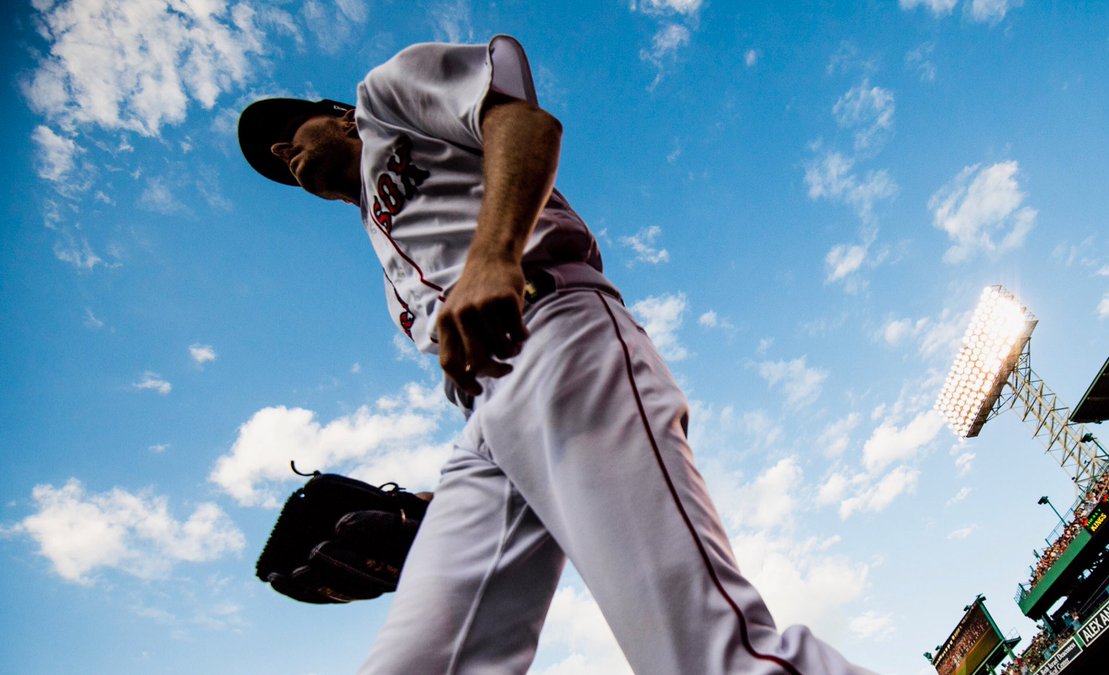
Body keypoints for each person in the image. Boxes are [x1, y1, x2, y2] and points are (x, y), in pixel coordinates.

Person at [238, 35, 874, 675]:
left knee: (702, 654)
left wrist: (497, 253)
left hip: (554, 329)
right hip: (488, 427)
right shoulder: (384, 258)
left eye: (289, 130)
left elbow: (518, 113)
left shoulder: (384, 97)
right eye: (271, 159)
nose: (278, 151)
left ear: (339, 116)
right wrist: (443, 505)